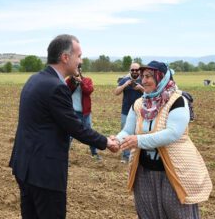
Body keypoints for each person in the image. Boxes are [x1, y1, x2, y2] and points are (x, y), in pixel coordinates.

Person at [9, 34, 119, 219]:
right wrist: (106, 141)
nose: (81, 61)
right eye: (79, 56)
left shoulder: (35, 79)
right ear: (65, 57)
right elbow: (75, 127)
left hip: (24, 166)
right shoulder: (56, 87)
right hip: (44, 173)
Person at [116, 61, 212, 218]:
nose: (143, 80)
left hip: (173, 171)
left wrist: (138, 141)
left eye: (148, 76)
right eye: (142, 76)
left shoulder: (178, 101)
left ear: (161, 78)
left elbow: (172, 133)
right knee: (148, 212)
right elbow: (128, 130)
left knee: (177, 212)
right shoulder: (139, 103)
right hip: (145, 171)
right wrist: (117, 140)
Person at [66, 67, 101, 160]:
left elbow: (88, 91)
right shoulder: (69, 81)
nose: (77, 72)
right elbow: (66, 91)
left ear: (81, 71)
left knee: (89, 132)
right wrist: (71, 80)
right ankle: (64, 156)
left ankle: (94, 153)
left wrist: (81, 82)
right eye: (75, 70)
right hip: (73, 112)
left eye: (78, 70)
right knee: (69, 135)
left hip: (85, 113)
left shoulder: (87, 80)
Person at [114, 62, 144, 163]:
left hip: (141, 113)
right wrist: (125, 85)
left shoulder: (143, 81)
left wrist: (140, 88)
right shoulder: (125, 80)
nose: (135, 72)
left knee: (139, 133)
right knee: (125, 133)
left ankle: (136, 156)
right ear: (130, 71)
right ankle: (126, 156)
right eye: (133, 70)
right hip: (126, 111)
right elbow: (116, 92)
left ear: (139, 71)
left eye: (137, 70)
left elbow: (151, 94)